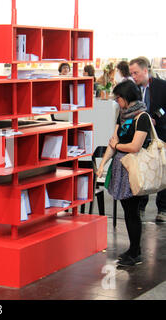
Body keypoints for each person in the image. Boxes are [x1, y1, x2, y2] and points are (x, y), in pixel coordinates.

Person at [96, 80, 150, 266]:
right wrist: (103, 163)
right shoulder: (122, 115)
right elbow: (113, 140)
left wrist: (117, 146)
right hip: (120, 167)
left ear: (126, 97)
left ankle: (136, 251)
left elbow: (135, 146)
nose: (117, 101)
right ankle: (133, 249)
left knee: (132, 211)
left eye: (118, 98)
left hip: (133, 168)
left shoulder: (142, 117)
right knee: (128, 210)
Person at [129, 57, 166, 222]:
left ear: (145, 70)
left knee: (162, 168)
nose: (134, 76)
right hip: (140, 136)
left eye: (136, 73)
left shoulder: (161, 86)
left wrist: (157, 118)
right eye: (131, 73)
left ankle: (163, 209)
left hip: (160, 133)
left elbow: (165, 109)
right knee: (141, 168)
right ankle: (140, 206)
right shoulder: (133, 90)